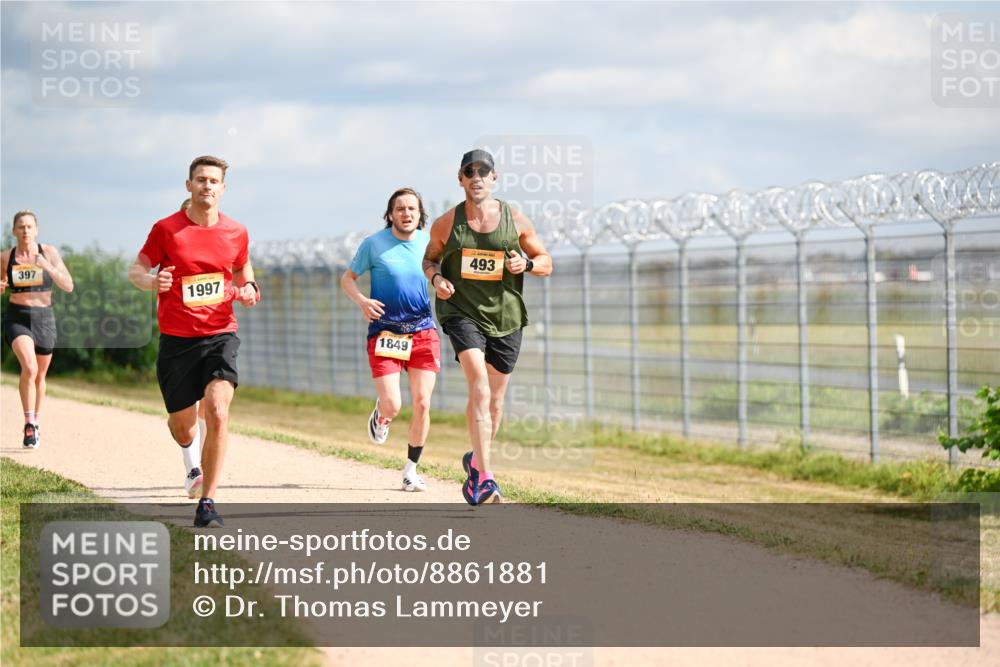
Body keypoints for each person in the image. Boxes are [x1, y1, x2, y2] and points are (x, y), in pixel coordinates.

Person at [129, 156, 260, 527]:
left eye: (214, 181)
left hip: (220, 333)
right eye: (200, 180)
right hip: (177, 340)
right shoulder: (167, 229)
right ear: (189, 186)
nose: (207, 186)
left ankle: (208, 503)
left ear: (223, 188)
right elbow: (136, 270)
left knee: (218, 409)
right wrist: (153, 282)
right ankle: (190, 460)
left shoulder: (236, 231)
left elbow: (241, 267)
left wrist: (249, 286)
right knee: (183, 426)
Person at [422, 149, 552, 505]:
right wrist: (436, 279)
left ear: (494, 178)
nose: (477, 177)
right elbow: (430, 259)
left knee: (495, 402)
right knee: (478, 385)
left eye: (484, 171)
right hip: (461, 311)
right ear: (460, 179)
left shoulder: (516, 219)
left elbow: (545, 261)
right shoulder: (447, 223)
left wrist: (524, 265)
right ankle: (486, 480)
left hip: (506, 316)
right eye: (470, 171)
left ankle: (476, 462)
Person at [341, 187, 441, 492]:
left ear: (420, 214)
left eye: (412, 209)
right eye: (400, 209)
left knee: (423, 404)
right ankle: (382, 416)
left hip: (423, 330)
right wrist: (362, 301)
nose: (406, 214)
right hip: (385, 332)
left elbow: (443, 274)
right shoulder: (374, 244)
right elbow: (347, 279)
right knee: (394, 405)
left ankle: (411, 470)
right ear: (390, 214)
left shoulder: (430, 243)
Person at [1, 210, 74, 449]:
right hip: (17, 318)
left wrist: (47, 267)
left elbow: (68, 285)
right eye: (21, 227)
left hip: (44, 318)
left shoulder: (48, 252)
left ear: (36, 230)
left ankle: (36, 420)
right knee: (29, 368)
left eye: (29, 227)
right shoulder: (5, 257)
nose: (25, 231)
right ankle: (29, 424)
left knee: (40, 375)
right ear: (14, 231)